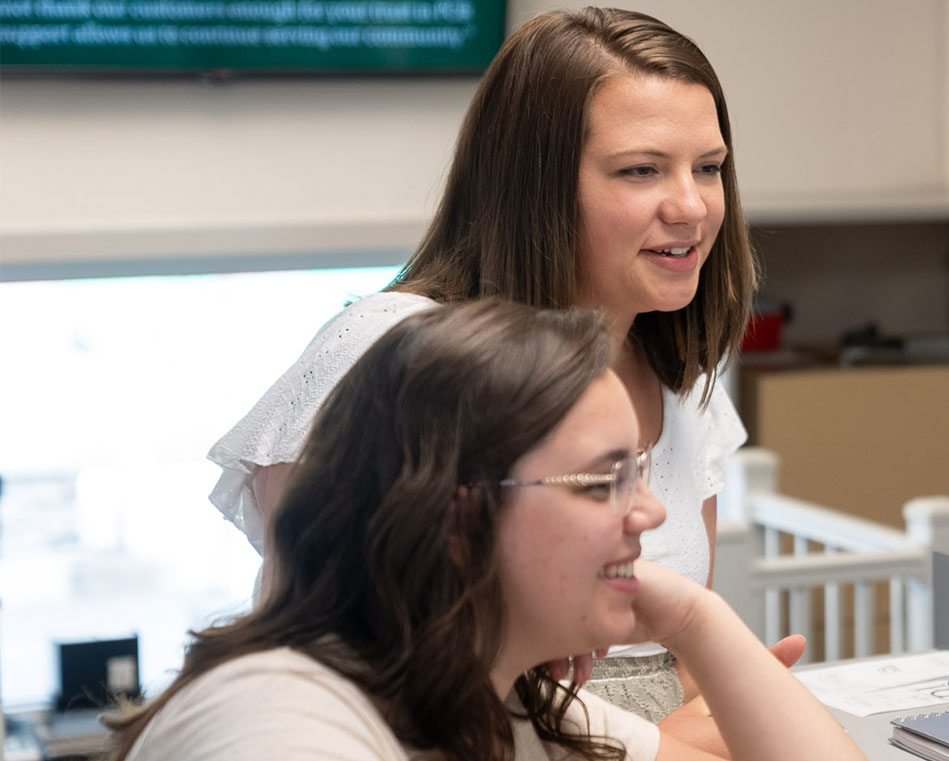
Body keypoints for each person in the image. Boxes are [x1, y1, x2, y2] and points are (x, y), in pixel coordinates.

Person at [207, 7, 757, 720]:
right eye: (642, 170)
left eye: (708, 168)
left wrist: (715, 717)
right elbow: (326, 650)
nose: (692, 205)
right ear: (538, 184)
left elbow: (680, 656)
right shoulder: (391, 350)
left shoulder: (680, 369)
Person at [110, 302, 864, 761]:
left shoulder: (492, 701)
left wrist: (695, 617)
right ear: (454, 515)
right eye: (605, 481)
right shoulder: (277, 719)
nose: (652, 512)